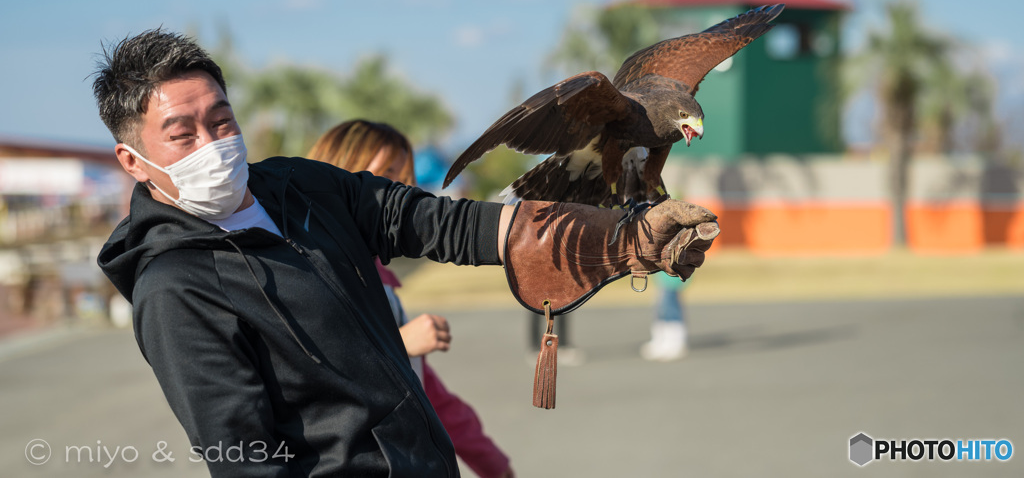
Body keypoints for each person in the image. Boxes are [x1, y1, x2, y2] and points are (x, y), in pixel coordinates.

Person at [93, 29, 719, 477]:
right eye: (183, 134)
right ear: (132, 160)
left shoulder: (302, 185)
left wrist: (617, 240)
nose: (213, 143)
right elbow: (241, 456)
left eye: (222, 121)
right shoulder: (174, 287)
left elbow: (439, 223)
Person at [306, 119, 514, 478]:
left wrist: (492, 463)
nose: (400, 190)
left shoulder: (380, 276)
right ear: (336, 177)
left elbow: (432, 397)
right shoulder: (305, 275)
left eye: (408, 178)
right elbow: (303, 373)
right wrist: (400, 344)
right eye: (386, 174)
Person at [640, 272, 691, 361]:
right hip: (665, 278)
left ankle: (674, 343)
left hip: (673, 279)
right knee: (662, 308)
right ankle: (661, 340)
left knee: (670, 308)